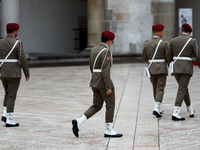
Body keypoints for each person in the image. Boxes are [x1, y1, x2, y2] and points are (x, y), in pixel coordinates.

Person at [72, 31, 123, 138]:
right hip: (103, 82)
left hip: (94, 80)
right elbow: (105, 70)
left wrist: (95, 78)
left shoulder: (94, 49)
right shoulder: (106, 51)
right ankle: (109, 129)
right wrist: (108, 86)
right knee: (110, 104)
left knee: (96, 105)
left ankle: (79, 121)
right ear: (109, 41)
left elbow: (91, 66)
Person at [166, 23, 200, 121]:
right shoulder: (192, 41)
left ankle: (190, 110)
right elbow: (197, 56)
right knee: (182, 89)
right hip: (186, 68)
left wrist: (171, 64)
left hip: (176, 67)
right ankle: (176, 112)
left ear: (181, 30)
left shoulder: (173, 40)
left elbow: (168, 56)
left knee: (183, 88)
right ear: (190, 32)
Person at [0, 23, 30, 127]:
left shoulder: (0, 41)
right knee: (12, 95)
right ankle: (9, 119)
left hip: (2, 72)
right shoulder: (17, 43)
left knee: (7, 93)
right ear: (15, 31)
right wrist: (27, 72)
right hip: (14, 73)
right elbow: (22, 59)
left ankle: (4, 114)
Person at [142, 24, 168, 118]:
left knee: (155, 87)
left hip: (151, 68)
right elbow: (168, 57)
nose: (163, 32)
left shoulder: (147, 43)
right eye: (162, 31)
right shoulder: (164, 43)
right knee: (160, 88)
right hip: (161, 68)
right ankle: (157, 107)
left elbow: (144, 58)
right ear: (157, 32)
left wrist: (150, 62)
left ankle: (159, 107)